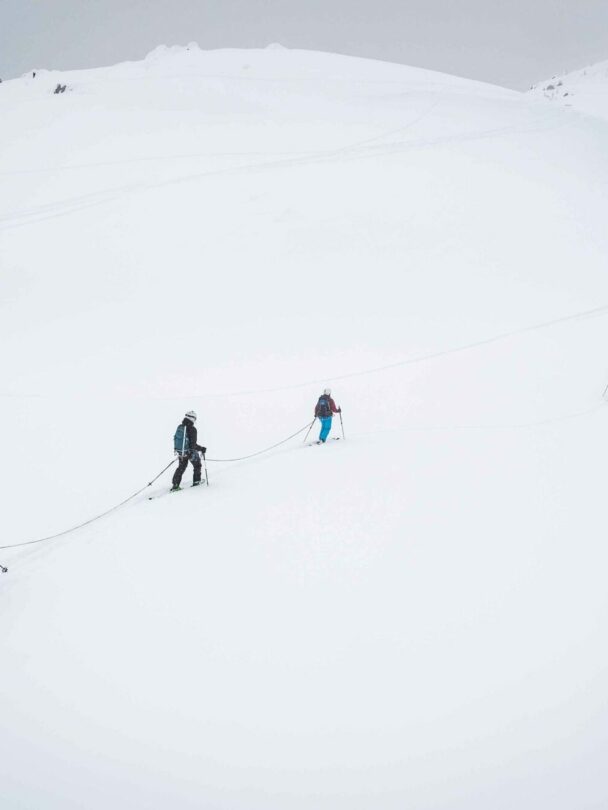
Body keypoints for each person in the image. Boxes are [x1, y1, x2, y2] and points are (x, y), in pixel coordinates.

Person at [171, 410, 207, 490]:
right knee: (197, 465)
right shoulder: (192, 429)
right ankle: (196, 482)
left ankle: (175, 485)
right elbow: (193, 445)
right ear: (193, 418)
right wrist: (201, 448)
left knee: (181, 467)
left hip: (181, 452)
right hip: (189, 452)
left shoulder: (180, 426)